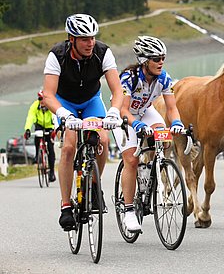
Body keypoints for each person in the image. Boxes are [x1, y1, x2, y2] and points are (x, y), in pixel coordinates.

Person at [42, 14, 124, 231]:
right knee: (68, 148)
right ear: (72, 40)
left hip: (91, 102)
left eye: (92, 38)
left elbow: (117, 90)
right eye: (84, 39)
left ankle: (94, 187)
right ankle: (66, 205)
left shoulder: (102, 52)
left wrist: (114, 111)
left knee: (103, 140)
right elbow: (48, 95)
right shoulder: (56, 56)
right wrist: (64, 115)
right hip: (64, 103)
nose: (90, 43)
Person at [112, 35, 184, 233]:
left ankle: (149, 169)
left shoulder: (164, 78)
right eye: (156, 58)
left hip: (145, 111)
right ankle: (128, 211)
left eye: (163, 58)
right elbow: (124, 109)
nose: (161, 62)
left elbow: (171, 107)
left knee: (165, 139)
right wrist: (135, 126)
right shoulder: (129, 78)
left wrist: (176, 122)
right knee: (131, 160)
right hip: (123, 115)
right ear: (145, 60)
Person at [23, 90, 57, 181]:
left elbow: (55, 117)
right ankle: (37, 154)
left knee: (50, 147)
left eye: (43, 99)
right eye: (40, 99)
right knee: (37, 137)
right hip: (39, 125)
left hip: (50, 126)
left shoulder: (51, 105)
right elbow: (30, 117)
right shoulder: (35, 106)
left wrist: (55, 129)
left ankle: (52, 172)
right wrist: (27, 129)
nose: (41, 101)